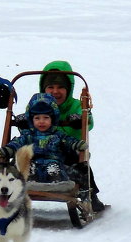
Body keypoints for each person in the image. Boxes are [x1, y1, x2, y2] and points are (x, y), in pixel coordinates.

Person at [10, 60, 106, 212]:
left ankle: (91, 196)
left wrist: (79, 120)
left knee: (82, 168)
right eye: (51, 87)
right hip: (40, 152)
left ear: (69, 89)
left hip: (67, 152)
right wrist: (23, 122)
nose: (55, 91)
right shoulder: (37, 105)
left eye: (61, 87)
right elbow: (30, 126)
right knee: (20, 156)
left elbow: (89, 122)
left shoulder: (75, 105)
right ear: (43, 88)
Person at [0, 93, 87, 183]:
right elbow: (17, 143)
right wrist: (8, 149)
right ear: (31, 120)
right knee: (28, 165)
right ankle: (30, 178)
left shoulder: (58, 135)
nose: (41, 121)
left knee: (53, 166)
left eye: (46, 118)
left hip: (52, 161)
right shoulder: (28, 135)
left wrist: (77, 144)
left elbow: (68, 141)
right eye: (37, 118)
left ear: (53, 119)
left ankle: (55, 179)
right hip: (33, 161)